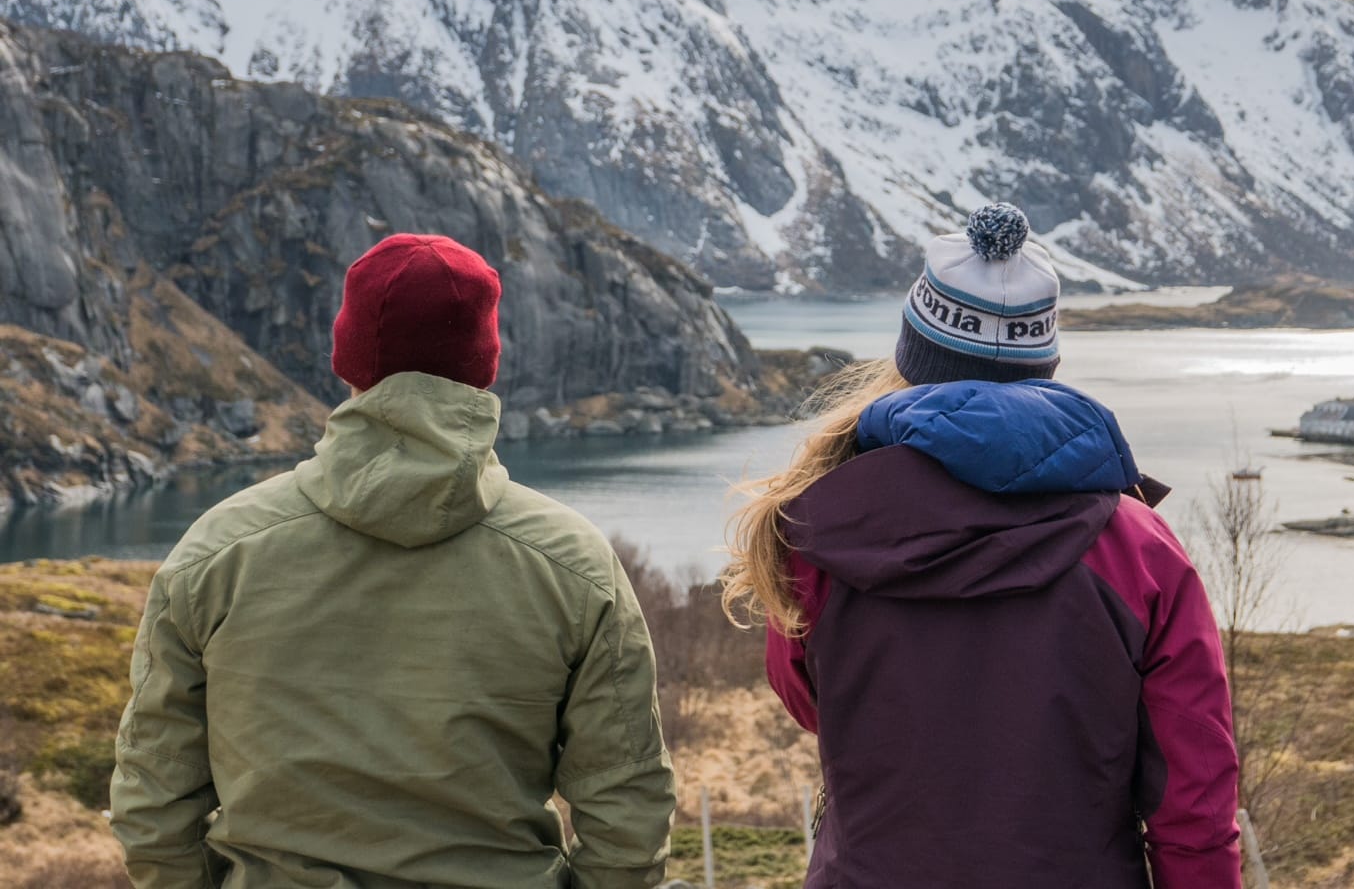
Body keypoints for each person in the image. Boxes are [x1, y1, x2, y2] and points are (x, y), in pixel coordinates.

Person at [111, 233, 675, 889]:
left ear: (347, 356)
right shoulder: (575, 566)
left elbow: (152, 803)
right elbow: (628, 813)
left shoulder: (215, 554)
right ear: (482, 362)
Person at [724, 203, 1240, 889]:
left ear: (912, 354)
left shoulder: (818, 525)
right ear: (1046, 362)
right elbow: (1194, 806)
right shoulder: (1139, 547)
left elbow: (811, 704)